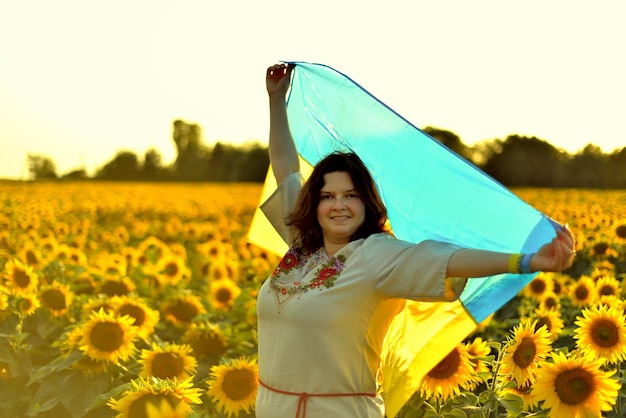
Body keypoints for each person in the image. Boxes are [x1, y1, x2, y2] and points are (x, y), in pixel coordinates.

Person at [255, 63, 576, 418]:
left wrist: (526, 260)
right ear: (314, 203)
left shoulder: (374, 255)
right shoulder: (302, 246)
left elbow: (449, 260)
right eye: (327, 196)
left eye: (350, 195)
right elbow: (286, 169)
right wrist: (275, 99)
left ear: (368, 202)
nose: (339, 205)